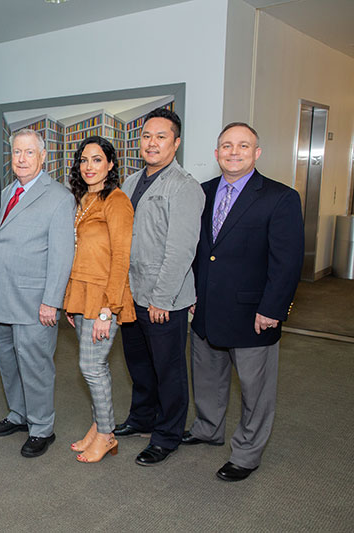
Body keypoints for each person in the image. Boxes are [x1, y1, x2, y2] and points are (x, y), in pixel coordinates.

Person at [183, 122, 303, 482]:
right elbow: (197, 252)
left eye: (243, 146)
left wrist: (273, 309)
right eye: (226, 146)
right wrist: (189, 296)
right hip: (205, 308)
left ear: (257, 153)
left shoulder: (279, 197)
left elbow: (288, 261)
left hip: (253, 313)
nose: (234, 152)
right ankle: (208, 428)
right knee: (206, 378)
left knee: (255, 389)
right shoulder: (201, 193)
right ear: (216, 153)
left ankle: (247, 453)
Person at [115, 108, 205, 466]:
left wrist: (162, 299)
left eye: (161, 137)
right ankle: (142, 418)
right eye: (147, 136)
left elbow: (181, 250)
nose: (152, 143)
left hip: (162, 298)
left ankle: (167, 435)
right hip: (132, 294)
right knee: (139, 364)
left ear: (176, 142)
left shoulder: (184, 187)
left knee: (168, 369)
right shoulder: (131, 182)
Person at [0, 128, 75, 458]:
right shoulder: (6, 193)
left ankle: (41, 427)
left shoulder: (59, 197)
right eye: (16, 152)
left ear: (43, 156)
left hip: (35, 302)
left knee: (35, 365)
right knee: (8, 362)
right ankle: (19, 415)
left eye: (29, 152)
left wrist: (52, 300)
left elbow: (63, 255)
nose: (21, 159)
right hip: (0, 298)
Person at [63, 136, 135, 463]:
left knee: (91, 367)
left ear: (109, 164)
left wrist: (109, 309)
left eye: (97, 159)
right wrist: (71, 300)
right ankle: (98, 426)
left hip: (105, 298)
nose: (89, 166)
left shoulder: (116, 200)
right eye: (84, 160)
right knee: (94, 366)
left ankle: (107, 435)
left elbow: (121, 257)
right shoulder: (83, 200)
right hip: (81, 294)